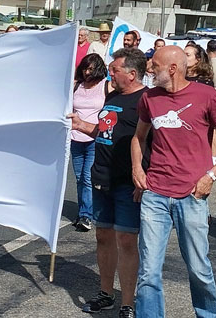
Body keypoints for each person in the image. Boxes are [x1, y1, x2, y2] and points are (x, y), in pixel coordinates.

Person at [131, 46, 216, 318]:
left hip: (192, 195)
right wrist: (137, 169)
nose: (149, 69)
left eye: (154, 65)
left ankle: (207, 315)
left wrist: (211, 175)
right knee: (148, 272)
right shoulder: (149, 98)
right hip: (155, 194)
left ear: (172, 68)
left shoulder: (206, 96)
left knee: (198, 269)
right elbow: (138, 138)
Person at [71, 48, 147, 317]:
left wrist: (143, 174)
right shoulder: (112, 95)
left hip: (127, 181)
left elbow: (150, 141)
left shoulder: (144, 100)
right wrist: (82, 126)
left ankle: (127, 302)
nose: (110, 73)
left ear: (132, 74)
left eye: (115, 70)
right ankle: (106, 293)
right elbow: (105, 131)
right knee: (103, 236)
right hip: (101, 176)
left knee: (126, 240)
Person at [72, 53, 108, 233]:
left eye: (91, 69)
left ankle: (86, 214)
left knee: (88, 178)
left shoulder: (105, 86)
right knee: (79, 178)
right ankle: (82, 211)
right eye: (85, 68)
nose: (87, 72)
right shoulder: (76, 86)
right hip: (75, 137)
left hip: (95, 137)